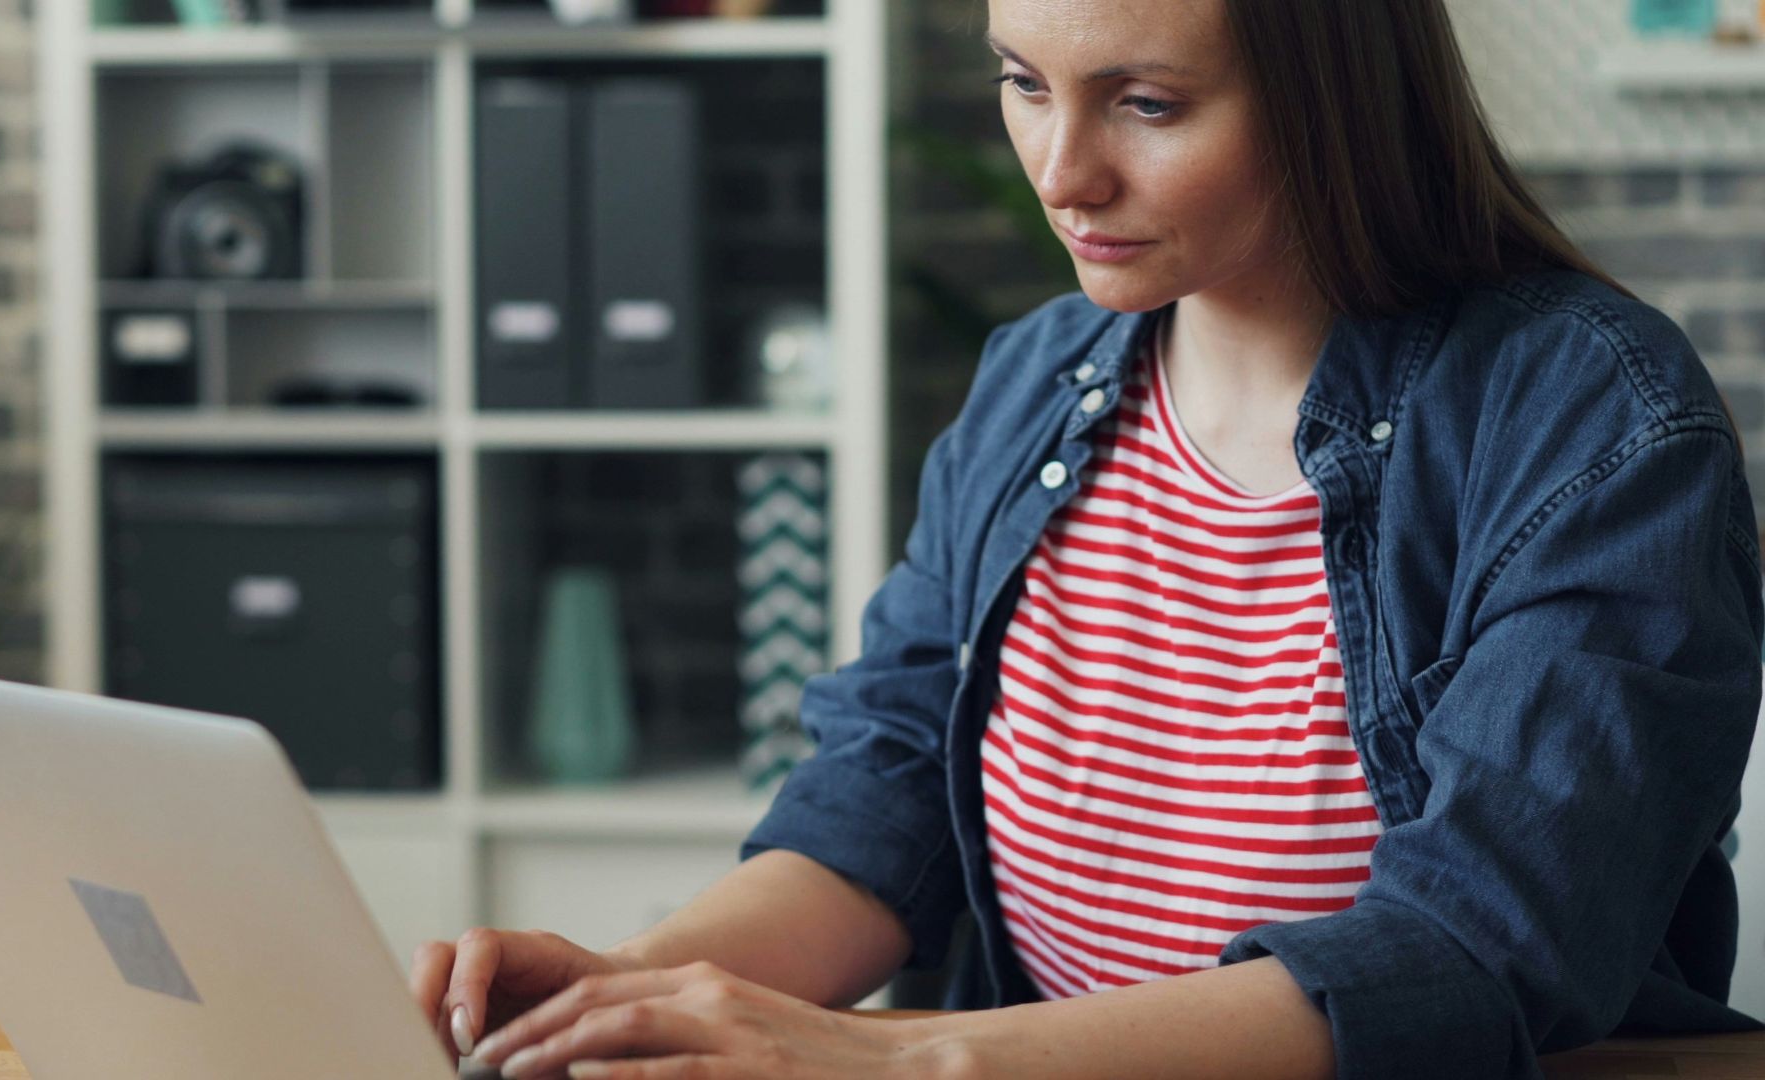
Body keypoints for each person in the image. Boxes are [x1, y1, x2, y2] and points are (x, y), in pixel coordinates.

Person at [411, 1, 1765, 1077]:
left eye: (1146, 102)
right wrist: (634, 986)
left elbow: (1480, 947)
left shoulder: (1594, 423)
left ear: (1336, 95)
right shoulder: (1038, 378)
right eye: (1023, 81)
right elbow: (888, 786)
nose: (1064, 172)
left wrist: (915, 1062)